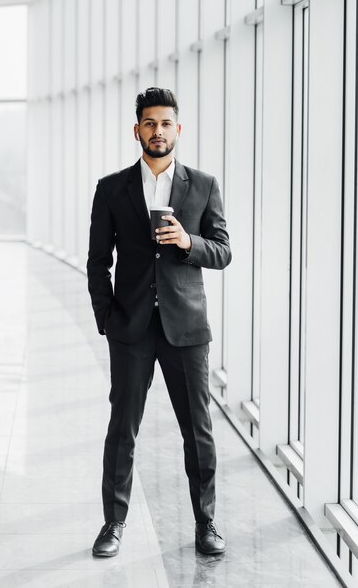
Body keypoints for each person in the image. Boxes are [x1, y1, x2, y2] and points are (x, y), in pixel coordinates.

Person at [87, 87, 232, 557]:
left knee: (198, 429)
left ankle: (206, 523)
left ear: (178, 129)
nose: (158, 131)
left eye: (166, 123)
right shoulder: (111, 188)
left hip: (186, 329)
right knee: (122, 428)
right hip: (129, 328)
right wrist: (106, 317)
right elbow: (96, 262)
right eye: (149, 123)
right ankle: (113, 523)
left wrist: (188, 242)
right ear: (137, 131)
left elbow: (224, 251)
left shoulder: (204, 185)